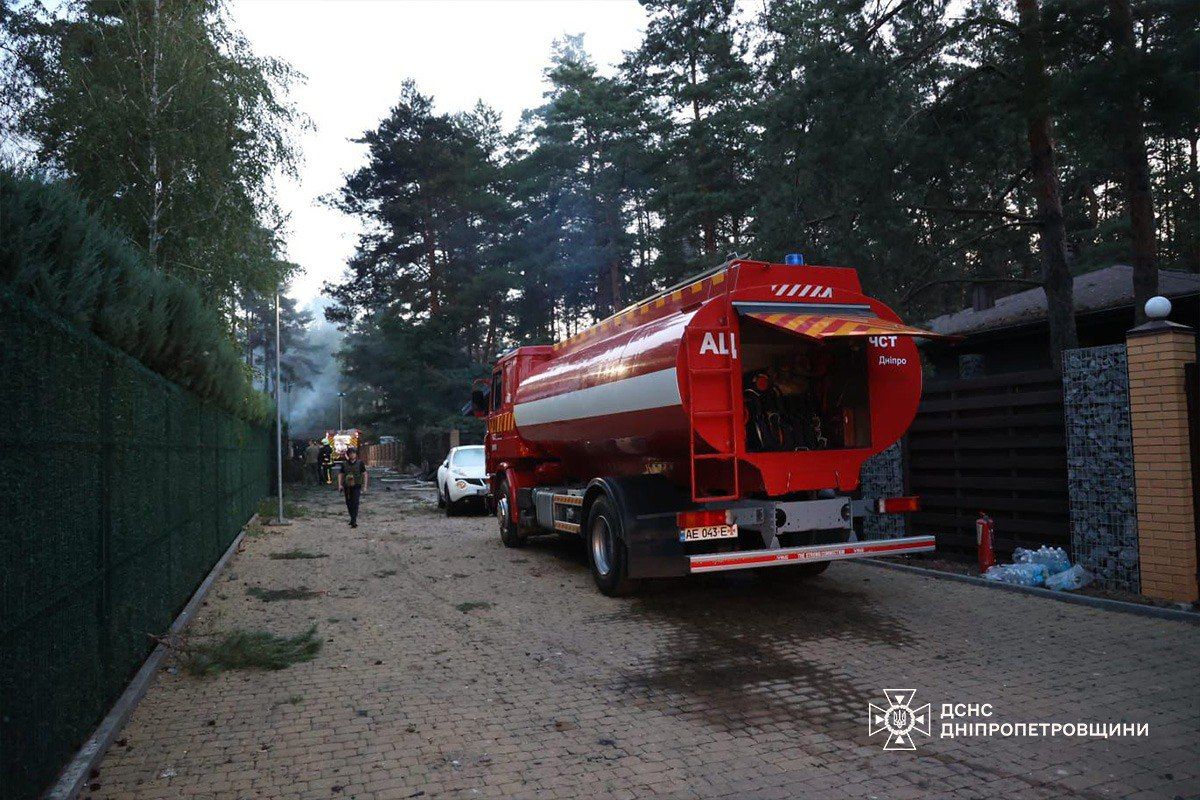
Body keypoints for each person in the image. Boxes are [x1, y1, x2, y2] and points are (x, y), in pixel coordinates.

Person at [337, 446, 368, 527]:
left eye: (354, 453)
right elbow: (341, 474)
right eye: (350, 453)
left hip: (356, 486)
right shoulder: (344, 464)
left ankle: (354, 520)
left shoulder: (360, 463)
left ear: (356, 454)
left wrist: (365, 486)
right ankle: (352, 518)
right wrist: (340, 485)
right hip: (347, 487)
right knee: (349, 503)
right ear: (348, 454)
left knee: (355, 502)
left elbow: (365, 474)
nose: (352, 455)